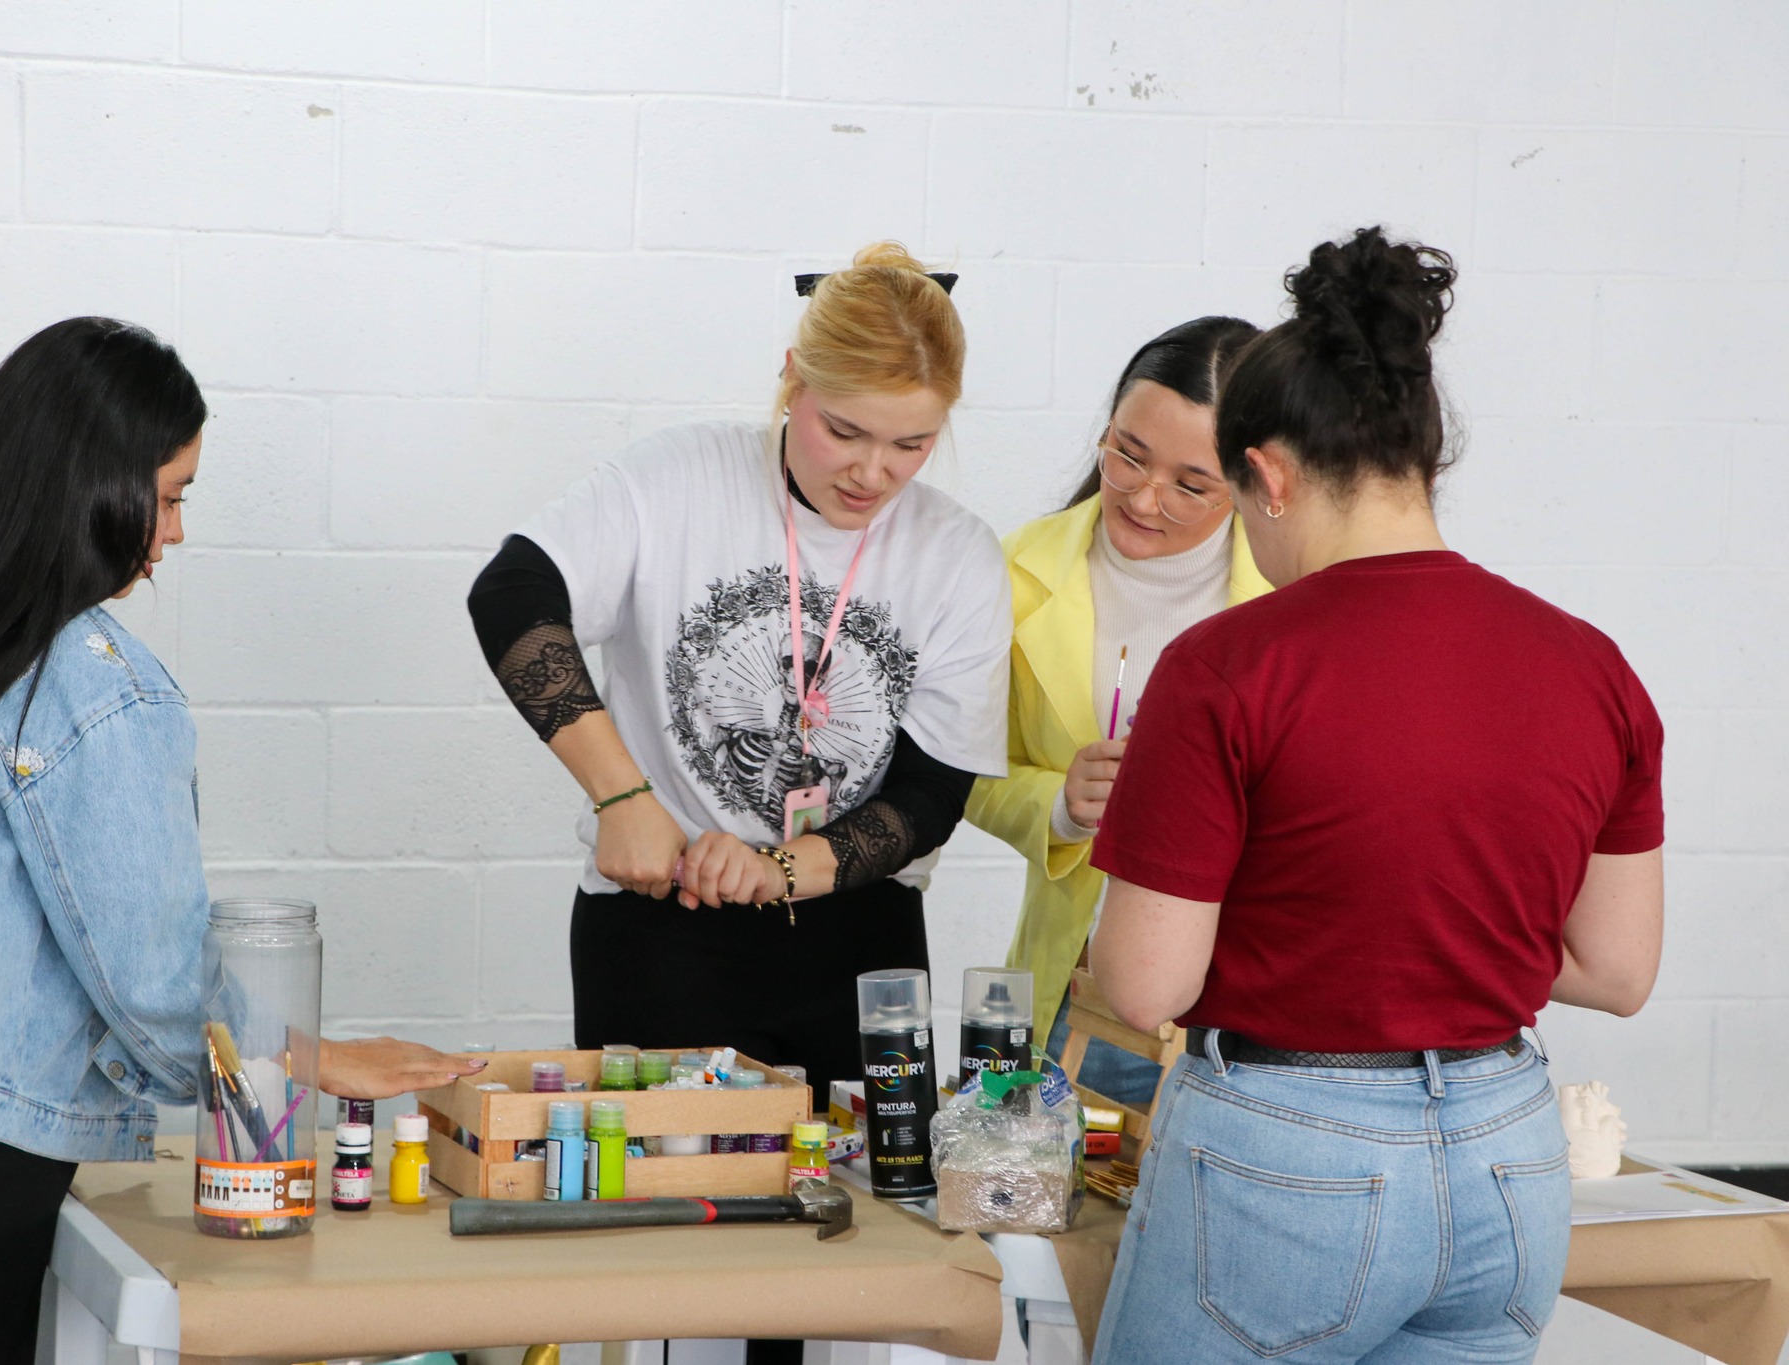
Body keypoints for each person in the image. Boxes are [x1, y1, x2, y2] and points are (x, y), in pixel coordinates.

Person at [0, 318, 481, 1364]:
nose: (173, 534)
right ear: (88, 486)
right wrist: (308, 1057)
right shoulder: (97, 689)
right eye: (169, 496)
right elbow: (155, 985)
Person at [1084, 229, 1664, 1364]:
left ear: (1272, 476)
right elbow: (1617, 971)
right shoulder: (1589, 663)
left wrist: (1315, 916)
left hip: (1286, 1155)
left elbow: (1146, 982)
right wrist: (1431, 926)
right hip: (1509, 1152)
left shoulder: (1225, 665)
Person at [467, 242, 1010, 1089]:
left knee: (868, 1206)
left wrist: (775, 870)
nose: (873, 472)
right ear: (793, 379)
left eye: (913, 442)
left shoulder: (959, 554)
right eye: (844, 431)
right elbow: (511, 593)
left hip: (860, 942)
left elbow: (932, 797)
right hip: (661, 928)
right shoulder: (676, 479)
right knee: (658, 1200)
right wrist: (622, 796)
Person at [963, 317, 1272, 1104]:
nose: (1143, 496)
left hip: (1236, 1012)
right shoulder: (1013, 571)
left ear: (1249, 477)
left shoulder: (1292, 605)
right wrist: (1062, 803)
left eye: (1190, 483)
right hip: (1072, 990)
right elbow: (962, 772)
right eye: (1126, 454)